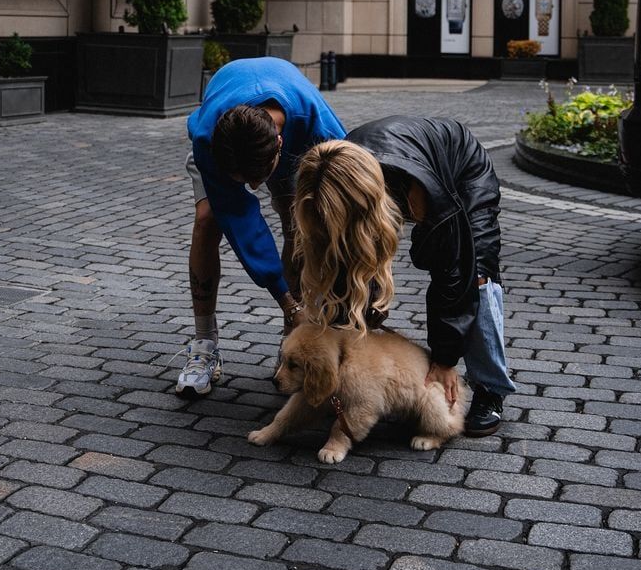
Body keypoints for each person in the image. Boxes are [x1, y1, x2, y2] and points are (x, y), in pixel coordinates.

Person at [294, 118, 514, 436]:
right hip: (389, 175)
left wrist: (444, 359)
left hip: (461, 170)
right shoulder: (324, 179)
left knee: (477, 276)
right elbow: (340, 261)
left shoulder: (421, 190)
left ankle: (490, 389)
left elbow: (451, 276)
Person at [176, 56, 345, 395]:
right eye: (244, 181)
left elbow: (350, 193)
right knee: (209, 219)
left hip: (299, 138)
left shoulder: (318, 125)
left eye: (258, 179)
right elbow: (244, 225)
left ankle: (292, 339)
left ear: (279, 148)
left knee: (299, 227)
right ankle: (204, 344)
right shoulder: (210, 137)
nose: (253, 189)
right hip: (224, 138)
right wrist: (286, 299)